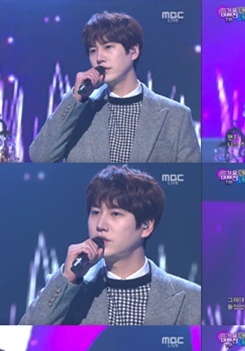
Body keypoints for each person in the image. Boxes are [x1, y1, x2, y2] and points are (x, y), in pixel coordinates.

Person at [20, 165, 201, 325]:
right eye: (95, 212)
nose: (100, 225)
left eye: (115, 214)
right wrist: (69, 277)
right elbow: (27, 333)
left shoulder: (192, 298)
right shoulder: (67, 290)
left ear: (146, 226)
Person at [29, 11, 200, 163]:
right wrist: (76, 98)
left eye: (108, 47)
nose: (99, 58)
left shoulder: (176, 116)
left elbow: (190, 180)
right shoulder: (79, 110)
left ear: (133, 51)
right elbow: (40, 157)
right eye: (93, 50)